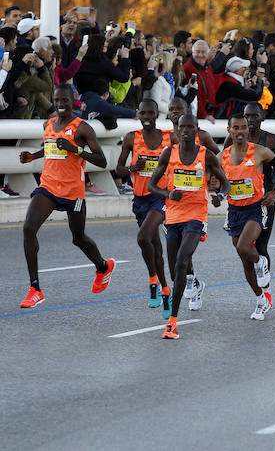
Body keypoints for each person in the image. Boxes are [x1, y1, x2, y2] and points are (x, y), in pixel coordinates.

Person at [18, 84, 117, 308]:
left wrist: (76, 150)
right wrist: (32, 156)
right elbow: (50, 147)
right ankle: (35, 288)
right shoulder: (49, 124)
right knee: (28, 227)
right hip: (49, 187)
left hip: (73, 191)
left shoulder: (82, 128)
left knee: (78, 238)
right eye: (57, 100)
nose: (60, 104)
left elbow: (102, 161)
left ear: (73, 100)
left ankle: (103, 267)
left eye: (64, 100)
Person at [149, 114, 227, 339]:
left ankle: (172, 322)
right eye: (181, 127)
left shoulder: (207, 155)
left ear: (196, 130)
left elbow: (226, 183)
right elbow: (152, 185)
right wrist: (168, 194)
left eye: (189, 127)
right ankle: (195, 284)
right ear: (176, 130)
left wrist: (219, 196)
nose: (184, 130)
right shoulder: (168, 153)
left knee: (183, 260)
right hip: (173, 215)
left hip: (196, 214)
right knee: (175, 270)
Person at [222, 102, 275, 307]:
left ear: (261, 117)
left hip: (263, 199)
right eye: (247, 116)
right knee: (243, 251)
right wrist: (219, 191)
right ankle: (258, 293)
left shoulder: (271, 141)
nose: (250, 120)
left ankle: (266, 291)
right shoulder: (230, 141)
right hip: (236, 202)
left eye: (254, 116)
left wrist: (274, 192)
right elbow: (222, 169)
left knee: (261, 245)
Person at [115, 99, 171, 317]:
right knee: (154, 246)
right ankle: (163, 289)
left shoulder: (169, 138)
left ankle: (152, 281)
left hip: (160, 198)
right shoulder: (131, 138)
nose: (147, 117)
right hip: (140, 200)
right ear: (138, 115)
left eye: (151, 113)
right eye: (143, 113)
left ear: (157, 114)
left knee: (143, 237)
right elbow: (118, 169)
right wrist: (131, 168)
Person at [181, 40, 219, 120]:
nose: (200, 55)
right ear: (192, 52)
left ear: (208, 53)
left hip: (210, 114)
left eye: (203, 52)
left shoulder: (208, 67)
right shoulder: (187, 69)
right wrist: (204, 115)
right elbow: (192, 96)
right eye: (197, 52)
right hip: (196, 117)